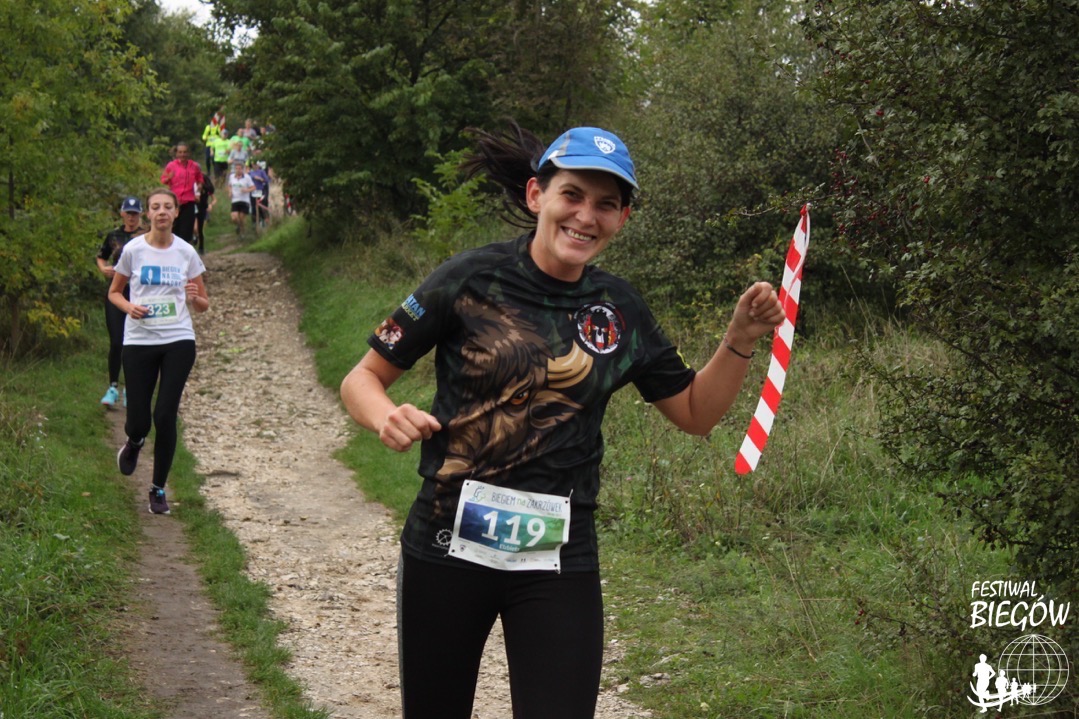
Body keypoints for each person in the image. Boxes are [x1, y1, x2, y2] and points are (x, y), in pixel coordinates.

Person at [339, 124, 784, 719]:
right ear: (536, 195)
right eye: (571, 194)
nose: (585, 216)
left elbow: (696, 412)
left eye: (606, 204)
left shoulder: (621, 309)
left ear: (622, 218)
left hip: (557, 558)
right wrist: (386, 416)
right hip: (447, 547)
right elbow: (361, 379)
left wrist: (740, 338)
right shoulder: (468, 278)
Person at [108, 188, 209, 515]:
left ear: (177, 212)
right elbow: (114, 292)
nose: (162, 211)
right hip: (139, 341)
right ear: (148, 214)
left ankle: (158, 489)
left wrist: (194, 298)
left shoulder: (186, 252)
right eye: (156, 207)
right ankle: (135, 441)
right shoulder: (133, 250)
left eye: (168, 206)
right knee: (138, 421)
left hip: (178, 339)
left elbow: (203, 304)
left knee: (165, 415)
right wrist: (129, 307)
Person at [96, 196, 147, 408]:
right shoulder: (114, 235)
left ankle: (130, 388)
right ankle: (113, 387)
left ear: (141, 214)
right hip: (117, 291)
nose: (132, 217)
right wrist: (103, 268)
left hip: (139, 292)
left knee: (133, 342)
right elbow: (102, 255)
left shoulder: (146, 236)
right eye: (128, 213)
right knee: (117, 341)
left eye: (135, 214)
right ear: (122, 214)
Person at [159, 142, 204, 243]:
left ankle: (185, 249)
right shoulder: (171, 165)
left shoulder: (194, 166)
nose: (182, 154)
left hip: (189, 202)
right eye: (180, 152)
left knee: (186, 231)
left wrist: (199, 186)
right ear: (176, 153)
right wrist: (168, 178)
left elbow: (200, 178)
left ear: (188, 153)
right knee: (174, 230)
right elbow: (163, 180)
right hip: (174, 202)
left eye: (185, 152)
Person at [227, 162, 257, 237]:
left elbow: (253, 187)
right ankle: (239, 227)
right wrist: (230, 192)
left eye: (239, 168)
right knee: (234, 218)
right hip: (235, 200)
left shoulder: (247, 177)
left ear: (242, 169)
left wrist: (246, 190)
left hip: (244, 200)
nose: (238, 170)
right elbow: (229, 185)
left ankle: (242, 232)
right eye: (236, 168)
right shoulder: (232, 177)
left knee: (241, 218)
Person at [194, 173, 216, 254]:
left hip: (203, 208)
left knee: (200, 228)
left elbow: (214, 199)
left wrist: (211, 205)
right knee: (195, 228)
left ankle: (201, 247)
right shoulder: (194, 188)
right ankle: (195, 237)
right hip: (194, 208)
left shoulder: (207, 190)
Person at [248, 161, 271, 230]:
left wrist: (261, 179)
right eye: (253, 164)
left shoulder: (262, 172)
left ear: (258, 165)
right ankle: (255, 222)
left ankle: (264, 220)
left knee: (262, 205)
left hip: (260, 191)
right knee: (254, 207)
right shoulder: (250, 172)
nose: (254, 166)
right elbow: (249, 179)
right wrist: (255, 177)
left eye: (256, 164)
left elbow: (266, 180)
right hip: (253, 191)